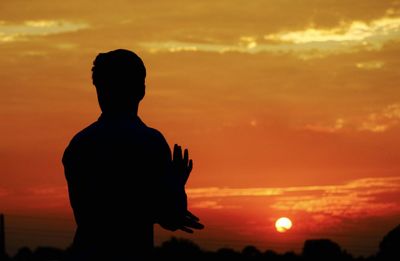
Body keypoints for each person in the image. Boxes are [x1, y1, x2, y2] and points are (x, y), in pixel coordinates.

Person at [62, 49, 203, 260]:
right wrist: (175, 184)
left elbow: (91, 214)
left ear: (99, 88)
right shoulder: (150, 142)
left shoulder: (79, 145)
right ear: (141, 90)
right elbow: (172, 216)